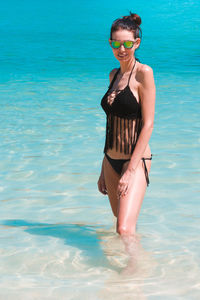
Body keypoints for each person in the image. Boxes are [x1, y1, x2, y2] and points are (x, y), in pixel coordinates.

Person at [97, 12, 156, 238]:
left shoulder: (144, 74)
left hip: (135, 159)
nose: (121, 49)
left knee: (123, 229)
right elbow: (110, 123)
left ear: (137, 43)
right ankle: (132, 263)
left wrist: (130, 171)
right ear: (110, 43)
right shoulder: (113, 74)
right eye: (116, 43)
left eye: (128, 43)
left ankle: (134, 271)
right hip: (111, 160)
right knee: (121, 222)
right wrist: (103, 169)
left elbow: (149, 124)